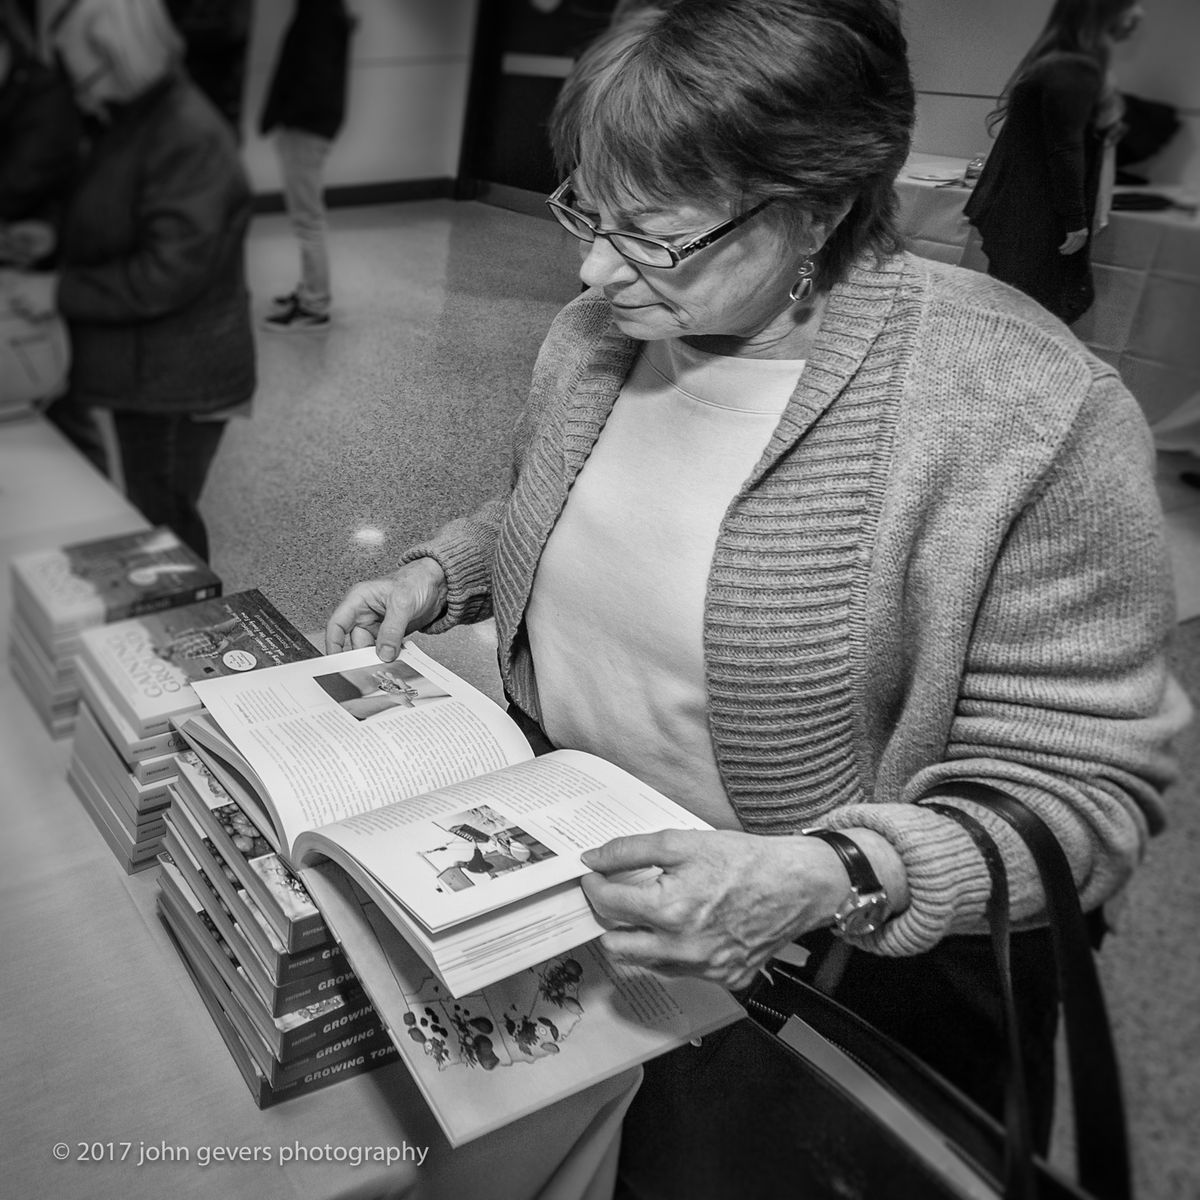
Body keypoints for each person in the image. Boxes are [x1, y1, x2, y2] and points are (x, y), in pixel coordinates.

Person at [326, 0, 1189, 1175]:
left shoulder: (1024, 409)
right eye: (585, 207)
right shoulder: (595, 335)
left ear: (818, 209)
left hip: (820, 967)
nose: (587, 265)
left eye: (647, 232)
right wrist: (442, 573)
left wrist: (823, 877)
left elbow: (1079, 798)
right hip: (580, 893)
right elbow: (554, 513)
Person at [11, 0, 255, 561]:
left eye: (86, 77)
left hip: (179, 378)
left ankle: (185, 633)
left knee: (164, 520)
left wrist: (55, 290)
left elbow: (167, 273)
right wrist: (53, 239)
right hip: (148, 367)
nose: (80, 93)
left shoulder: (186, 134)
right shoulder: (132, 118)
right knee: (150, 509)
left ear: (120, 55)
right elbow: (115, 212)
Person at [964, 0, 1145, 325]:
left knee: (1021, 311)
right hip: (1037, 216)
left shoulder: (1062, 62)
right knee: (1030, 316)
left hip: (1027, 211)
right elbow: (1065, 149)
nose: (1138, 15)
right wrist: (1075, 219)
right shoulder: (1072, 67)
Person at [258, 0, 354, 332]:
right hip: (310, 124)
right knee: (307, 218)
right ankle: (308, 291)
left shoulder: (318, 13)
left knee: (307, 219)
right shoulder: (323, 11)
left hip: (307, 126)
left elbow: (311, 75)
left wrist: (285, 117)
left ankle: (314, 303)